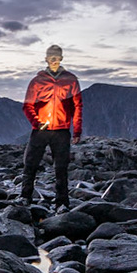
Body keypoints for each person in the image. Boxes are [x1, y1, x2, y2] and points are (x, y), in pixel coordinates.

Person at [20, 43, 81, 206]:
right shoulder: (37, 81)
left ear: (61, 59)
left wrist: (77, 131)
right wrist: (37, 122)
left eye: (57, 57)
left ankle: (62, 202)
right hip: (40, 130)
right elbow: (27, 105)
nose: (54, 60)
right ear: (46, 59)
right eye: (51, 57)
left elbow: (77, 106)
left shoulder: (71, 80)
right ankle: (25, 197)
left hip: (61, 131)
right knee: (30, 163)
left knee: (61, 168)